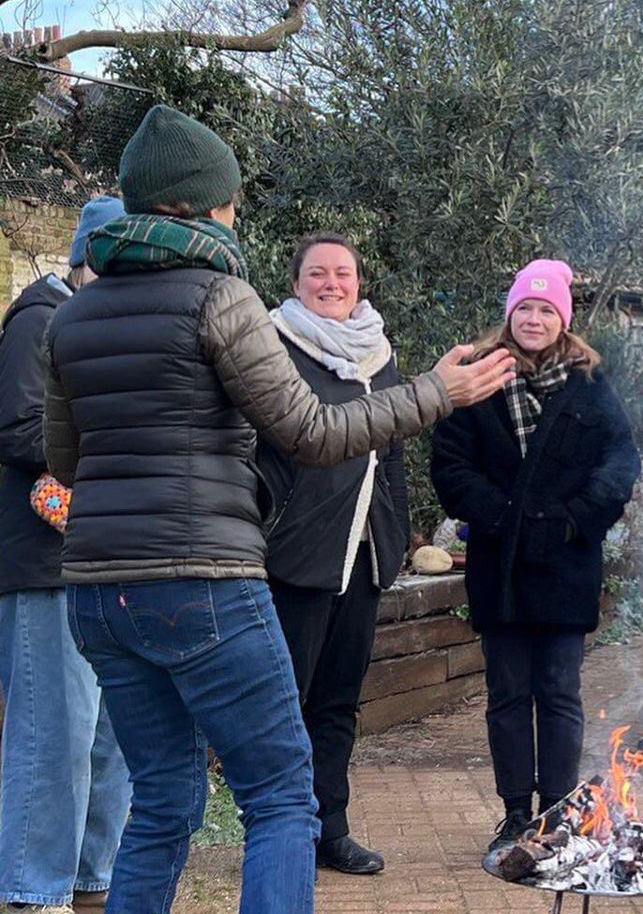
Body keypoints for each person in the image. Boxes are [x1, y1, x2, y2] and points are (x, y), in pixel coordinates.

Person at [42, 105, 514, 914]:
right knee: (282, 794)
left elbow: (64, 463)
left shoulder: (72, 315)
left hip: (98, 590)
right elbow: (313, 432)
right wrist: (438, 392)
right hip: (202, 579)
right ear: (201, 205)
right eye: (230, 201)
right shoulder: (220, 297)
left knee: (161, 799)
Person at [430, 259, 640, 852]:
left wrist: (573, 522)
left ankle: (559, 810)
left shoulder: (591, 383)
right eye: (525, 307)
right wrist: (499, 517)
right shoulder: (476, 380)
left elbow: (619, 463)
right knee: (507, 693)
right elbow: (449, 465)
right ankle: (516, 812)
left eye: (547, 309)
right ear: (509, 314)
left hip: (566, 564)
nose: (534, 318)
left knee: (560, 691)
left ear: (563, 319)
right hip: (500, 564)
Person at [258, 232, 409, 876]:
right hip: (297, 555)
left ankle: (330, 828)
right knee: (286, 700)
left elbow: (396, 453)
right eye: (317, 274)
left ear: (359, 283)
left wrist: (395, 539)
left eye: (342, 274)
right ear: (296, 284)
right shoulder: (272, 346)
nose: (331, 284)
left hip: (365, 555)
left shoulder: (380, 355)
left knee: (339, 702)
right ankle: (278, 830)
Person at [0, 196, 131, 912]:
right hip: (43, 566)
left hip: (103, 563)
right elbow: (17, 427)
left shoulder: (96, 319)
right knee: (55, 736)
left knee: (110, 738)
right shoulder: (41, 315)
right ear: (87, 251)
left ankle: (90, 882)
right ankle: (32, 891)